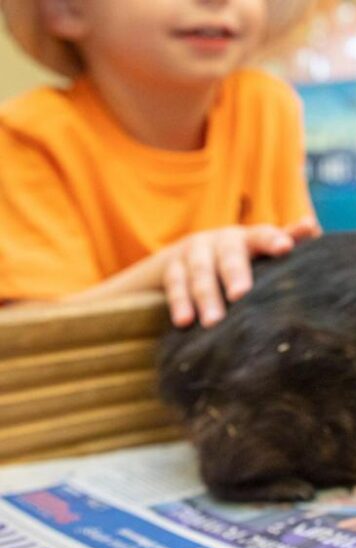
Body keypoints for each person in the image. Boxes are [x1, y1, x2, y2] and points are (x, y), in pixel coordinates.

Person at [0, 0, 320, 327]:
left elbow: (295, 279)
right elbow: (29, 331)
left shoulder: (265, 106)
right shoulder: (28, 137)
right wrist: (174, 269)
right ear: (66, 9)